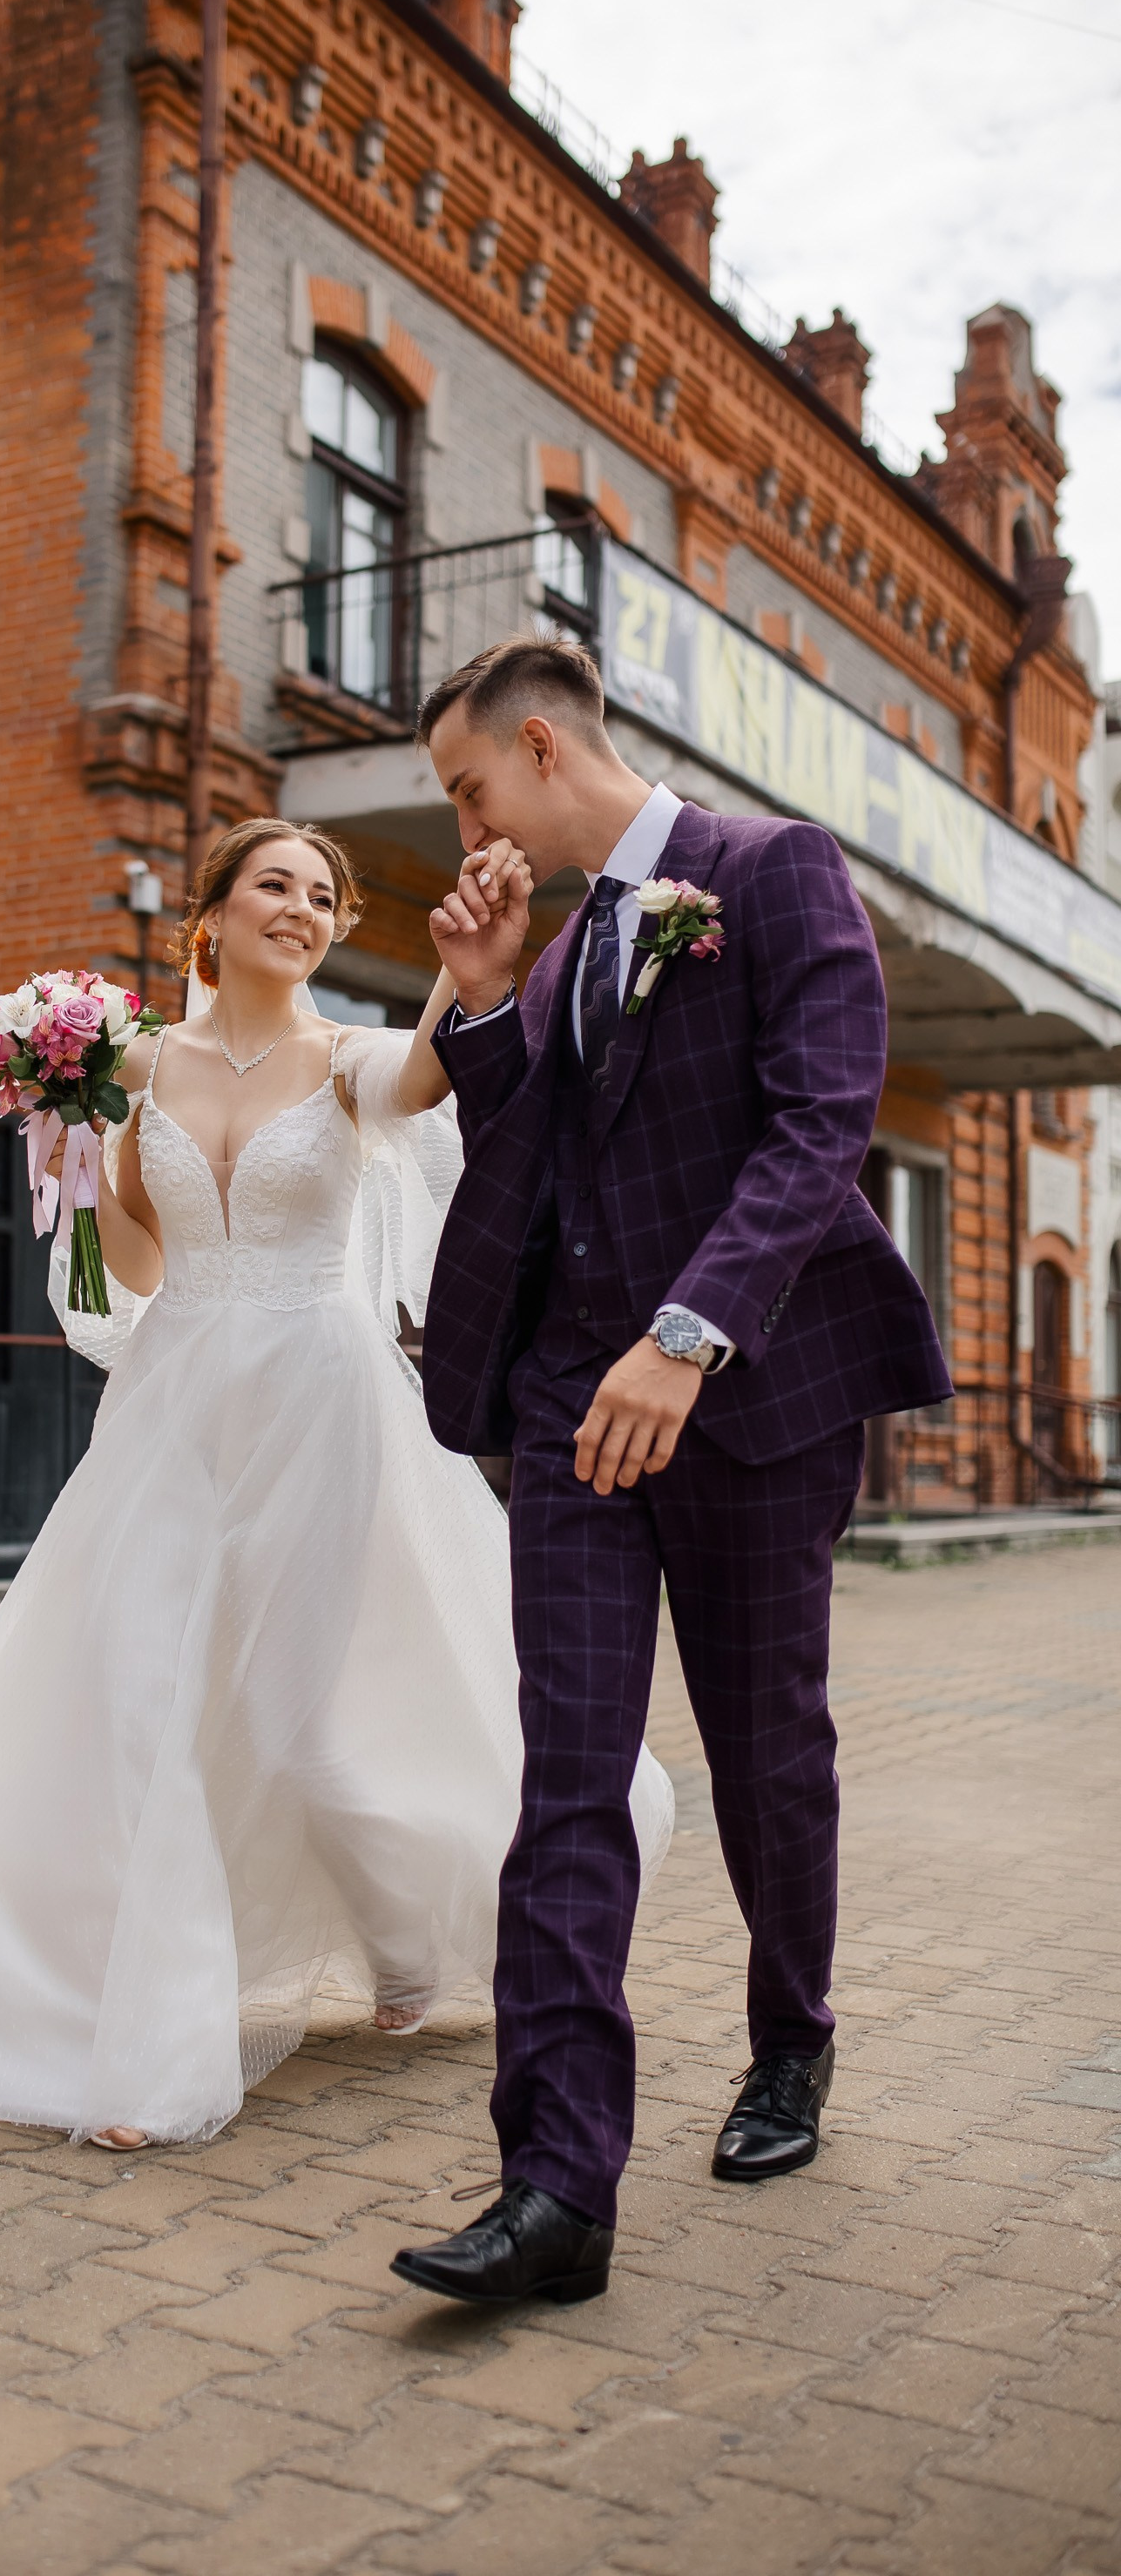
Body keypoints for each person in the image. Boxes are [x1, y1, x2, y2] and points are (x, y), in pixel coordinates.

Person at [0, 815, 673, 2150]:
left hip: (320, 1412)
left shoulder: (344, 1066)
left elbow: (437, 1070)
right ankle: (145, 2035)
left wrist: (464, 954)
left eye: (323, 895)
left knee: (303, 1715)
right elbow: (140, 1276)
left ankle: (406, 1934)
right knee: (146, 1691)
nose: (305, 907)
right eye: (276, 884)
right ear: (208, 915)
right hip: (173, 1406)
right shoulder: (129, 1064)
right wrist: (79, 1156)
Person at [389, 637, 950, 2310]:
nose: (463, 821)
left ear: (542, 748)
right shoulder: (558, 950)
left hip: (749, 1402)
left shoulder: (770, 873)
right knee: (567, 1776)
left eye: (468, 787)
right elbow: (528, 1159)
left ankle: (793, 2043)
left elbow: (818, 1125)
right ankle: (557, 2183)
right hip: (572, 1407)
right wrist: (489, 996)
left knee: (767, 1745)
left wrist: (689, 1336)